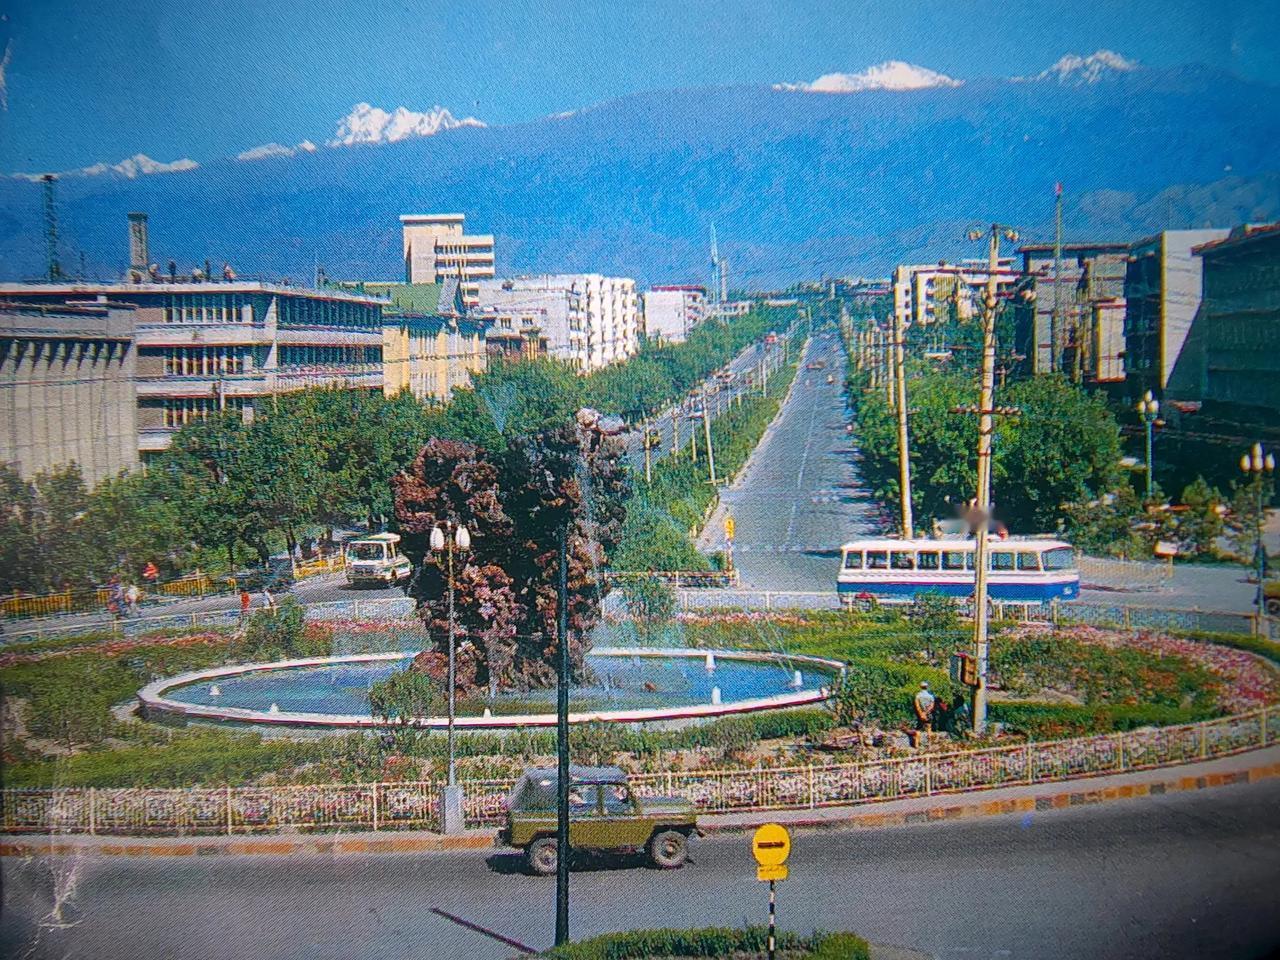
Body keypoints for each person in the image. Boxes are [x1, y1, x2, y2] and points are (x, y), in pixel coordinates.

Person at [912, 681, 936, 747]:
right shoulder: (931, 696)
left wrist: (921, 714)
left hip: (920, 714)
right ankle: (929, 744)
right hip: (928, 714)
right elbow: (932, 706)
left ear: (920, 687)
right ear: (927, 687)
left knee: (918, 729)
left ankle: (916, 745)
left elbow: (917, 706)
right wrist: (926, 712)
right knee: (929, 728)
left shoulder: (918, 695)